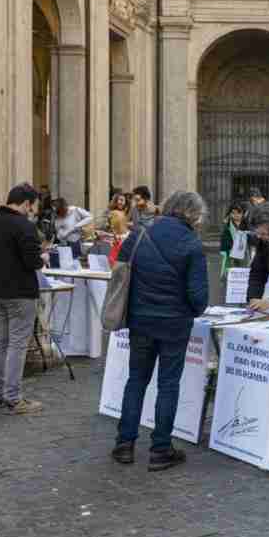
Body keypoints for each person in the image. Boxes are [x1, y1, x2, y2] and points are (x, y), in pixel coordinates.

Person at [111, 191, 209, 470]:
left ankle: (124, 444)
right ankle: (160, 449)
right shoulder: (192, 243)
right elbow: (199, 298)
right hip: (174, 325)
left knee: (136, 380)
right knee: (168, 385)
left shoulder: (139, 234)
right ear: (193, 214)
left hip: (140, 321)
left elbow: (120, 272)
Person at [0, 183, 46, 415]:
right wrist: (43, 257)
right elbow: (32, 262)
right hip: (20, 293)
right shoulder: (24, 226)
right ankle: (14, 399)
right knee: (17, 344)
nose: (31, 211)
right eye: (31, 206)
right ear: (26, 203)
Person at [218, 203, 247, 279]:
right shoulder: (227, 227)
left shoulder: (247, 225)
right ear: (230, 214)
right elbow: (224, 242)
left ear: (243, 213)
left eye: (239, 213)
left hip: (245, 255)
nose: (236, 215)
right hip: (230, 256)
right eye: (233, 213)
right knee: (232, 277)